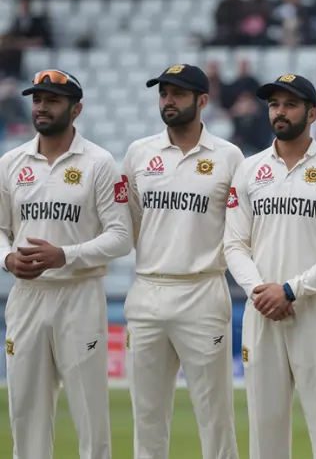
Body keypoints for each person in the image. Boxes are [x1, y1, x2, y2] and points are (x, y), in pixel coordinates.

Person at [0, 69, 133, 459]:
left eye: (52, 100)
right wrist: (7, 258)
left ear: (76, 109)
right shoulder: (11, 161)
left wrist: (64, 256)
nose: (42, 107)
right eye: (37, 99)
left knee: (90, 416)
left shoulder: (99, 162)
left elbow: (121, 237)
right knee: (25, 413)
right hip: (27, 297)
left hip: (79, 296)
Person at [224, 74, 316, 459]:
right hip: (261, 311)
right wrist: (259, 291)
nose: (280, 112)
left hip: (315, 309)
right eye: (274, 104)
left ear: (313, 113)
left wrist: (292, 289)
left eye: (290, 104)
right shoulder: (249, 169)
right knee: (265, 433)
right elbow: (233, 243)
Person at [121, 64, 244, 459]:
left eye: (177, 94)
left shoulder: (229, 156)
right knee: (147, 416)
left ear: (202, 100)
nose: (168, 101)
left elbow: (239, 229)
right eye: (163, 94)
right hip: (148, 290)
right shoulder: (139, 153)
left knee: (215, 415)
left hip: (203, 290)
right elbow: (133, 223)